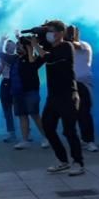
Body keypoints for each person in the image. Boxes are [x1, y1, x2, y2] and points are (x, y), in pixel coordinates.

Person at [31, 21, 85, 176]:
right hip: (53, 97)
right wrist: (31, 47)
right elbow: (34, 65)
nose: (48, 34)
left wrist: (36, 46)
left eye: (51, 30)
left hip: (68, 95)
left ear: (61, 33)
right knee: (48, 128)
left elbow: (50, 59)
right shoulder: (48, 48)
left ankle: (78, 163)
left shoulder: (66, 47)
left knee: (69, 131)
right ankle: (63, 161)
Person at [6, 37, 49, 150]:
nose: (17, 47)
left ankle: (46, 137)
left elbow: (32, 66)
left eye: (20, 45)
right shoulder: (15, 59)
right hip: (17, 92)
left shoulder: (34, 58)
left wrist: (32, 48)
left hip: (30, 91)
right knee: (22, 115)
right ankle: (25, 140)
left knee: (34, 114)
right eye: (17, 45)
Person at [68, 25, 99, 152]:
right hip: (70, 83)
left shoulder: (84, 45)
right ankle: (82, 139)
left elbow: (75, 45)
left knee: (84, 112)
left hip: (83, 83)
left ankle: (90, 141)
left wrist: (68, 38)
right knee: (73, 114)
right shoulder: (65, 47)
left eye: (71, 32)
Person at [0, 36, 18, 143]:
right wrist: (2, 65)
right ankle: (11, 133)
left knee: (19, 109)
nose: (10, 47)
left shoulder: (18, 57)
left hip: (16, 83)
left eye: (11, 45)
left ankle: (25, 131)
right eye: (8, 46)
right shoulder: (2, 58)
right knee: (7, 110)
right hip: (5, 83)